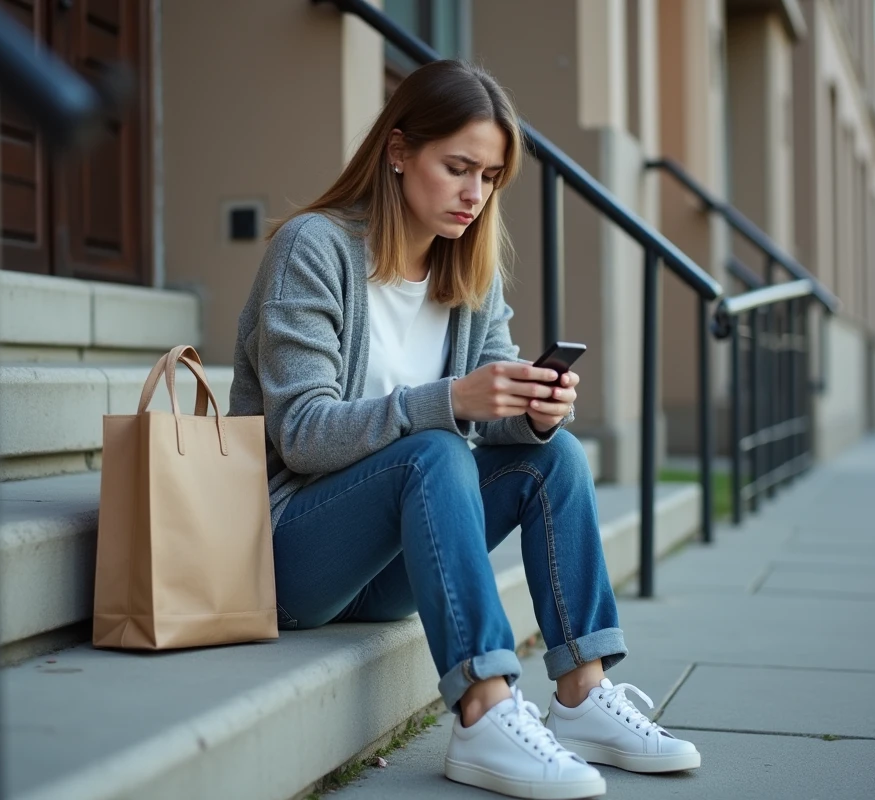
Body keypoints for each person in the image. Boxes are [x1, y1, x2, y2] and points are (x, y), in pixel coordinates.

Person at [229, 59, 699, 799]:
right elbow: (302, 433)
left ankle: (582, 694)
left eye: (490, 176)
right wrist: (450, 400)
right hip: (292, 555)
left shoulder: (470, 273)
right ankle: (483, 709)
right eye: (457, 168)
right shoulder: (314, 249)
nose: (474, 195)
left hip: (388, 568)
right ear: (398, 150)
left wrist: (532, 412)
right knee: (434, 449)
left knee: (556, 456)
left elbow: (487, 419)